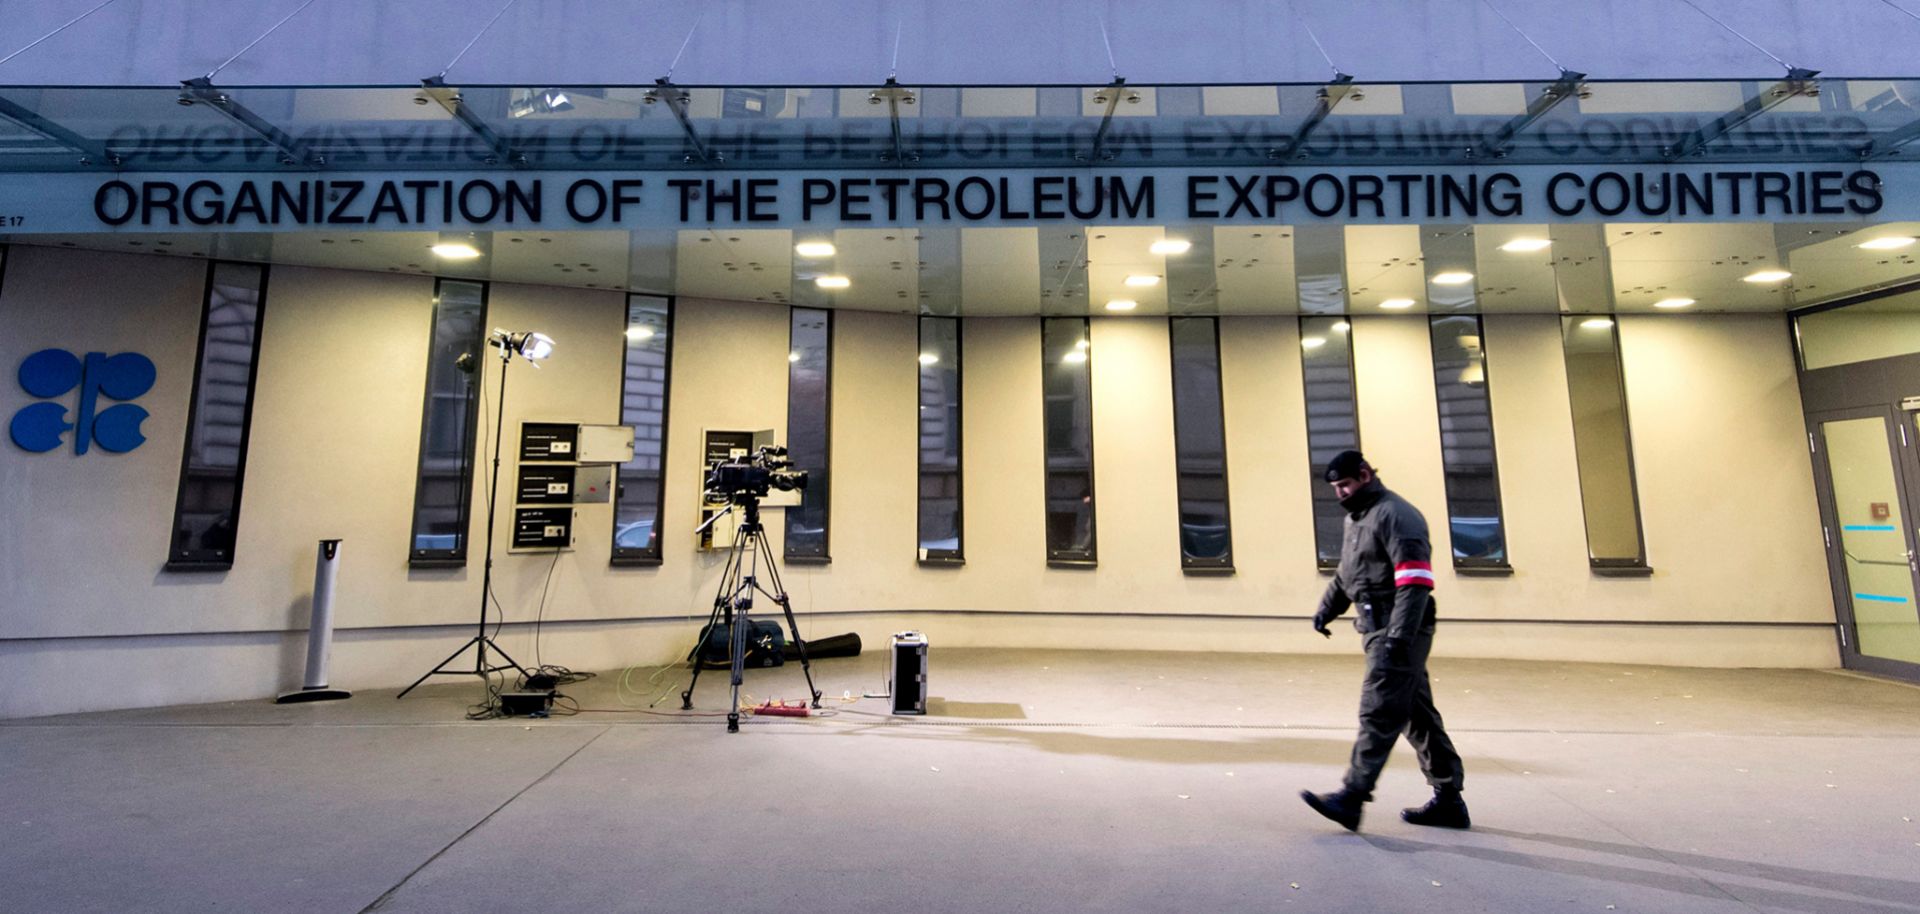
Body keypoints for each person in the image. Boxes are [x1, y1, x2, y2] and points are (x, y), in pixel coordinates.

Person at [1300, 449, 1468, 832]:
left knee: (1378, 709)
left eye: (1345, 484)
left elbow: (1415, 581)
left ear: (1364, 475)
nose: (1341, 493)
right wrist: (1327, 609)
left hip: (1397, 629)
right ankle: (1449, 800)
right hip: (1377, 627)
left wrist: (1399, 636)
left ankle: (1352, 798)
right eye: (1336, 488)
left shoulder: (1397, 515)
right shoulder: (1357, 520)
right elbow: (1347, 575)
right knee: (1415, 714)